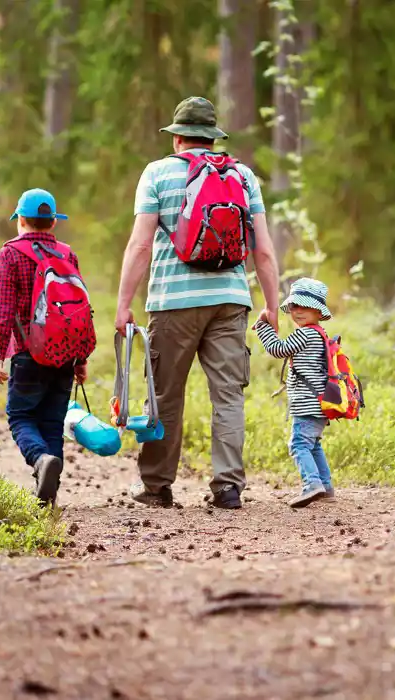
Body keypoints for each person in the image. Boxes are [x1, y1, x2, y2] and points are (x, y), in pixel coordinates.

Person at [113, 96, 282, 510]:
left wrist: (123, 304)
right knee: (228, 396)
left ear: (178, 140)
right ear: (212, 138)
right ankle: (228, 487)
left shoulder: (156, 173)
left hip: (173, 302)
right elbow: (262, 251)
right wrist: (272, 306)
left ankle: (157, 487)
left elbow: (140, 245)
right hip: (230, 300)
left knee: (166, 395)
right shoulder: (243, 176)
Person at [0, 188, 94, 506]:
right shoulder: (67, 253)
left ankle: (39, 461)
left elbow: (3, 309)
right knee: (52, 421)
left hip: (27, 352)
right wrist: (80, 358)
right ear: (52, 223)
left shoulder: (10, 253)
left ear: (20, 220)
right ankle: (47, 495)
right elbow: (78, 309)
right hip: (65, 354)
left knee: (20, 416)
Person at [254, 278, 338, 507]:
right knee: (313, 444)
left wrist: (262, 326)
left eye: (305, 307)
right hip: (319, 403)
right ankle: (326, 485)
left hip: (307, 404)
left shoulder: (306, 334)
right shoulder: (319, 334)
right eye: (294, 306)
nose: (298, 312)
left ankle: (312, 484)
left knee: (299, 444)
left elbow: (277, 349)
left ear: (318, 311)